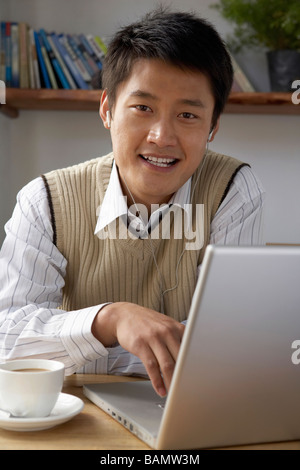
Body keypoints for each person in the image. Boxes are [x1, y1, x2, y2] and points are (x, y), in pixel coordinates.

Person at [0, 8, 265, 397]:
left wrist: (78, 346)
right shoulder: (44, 200)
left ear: (213, 127)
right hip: (75, 416)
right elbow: (7, 341)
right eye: (143, 108)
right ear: (107, 109)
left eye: (188, 114)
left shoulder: (233, 190)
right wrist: (111, 320)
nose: (162, 136)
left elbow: (231, 346)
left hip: (188, 408)